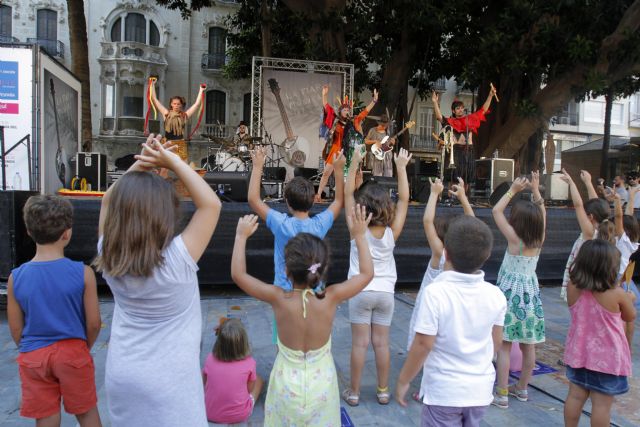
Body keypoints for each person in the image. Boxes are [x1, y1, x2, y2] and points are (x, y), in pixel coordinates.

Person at [93, 133, 222, 427]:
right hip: (170, 385)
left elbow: (107, 203)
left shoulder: (109, 254)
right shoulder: (177, 260)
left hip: (123, 376)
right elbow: (212, 205)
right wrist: (172, 161)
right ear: (164, 215)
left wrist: (141, 164)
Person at [230, 207, 374, 426]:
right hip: (322, 385)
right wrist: (360, 235)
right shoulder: (331, 297)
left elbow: (238, 275)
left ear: (286, 269)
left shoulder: (278, 298)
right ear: (322, 268)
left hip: (286, 385)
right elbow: (367, 274)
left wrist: (241, 237)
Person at [395, 216, 507, 427]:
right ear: (488, 255)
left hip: (444, 392)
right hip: (480, 391)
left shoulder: (435, 292)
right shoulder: (496, 295)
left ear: (445, 252)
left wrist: (404, 379)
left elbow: (422, 344)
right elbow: (497, 342)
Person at [6, 195, 102, 427]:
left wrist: (31, 349)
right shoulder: (83, 273)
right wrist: (82, 347)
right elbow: (94, 323)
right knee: (86, 412)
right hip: (73, 352)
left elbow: (16, 327)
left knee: (46, 415)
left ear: (29, 232)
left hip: (34, 354)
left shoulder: (15, 277)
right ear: (67, 233)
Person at [341, 146, 411, 406]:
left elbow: (348, 192)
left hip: (359, 291)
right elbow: (404, 200)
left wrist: (355, 161)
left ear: (361, 208)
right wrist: (401, 169)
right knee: (381, 344)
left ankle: (355, 392)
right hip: (385, 295)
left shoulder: (355, 229)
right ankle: (383, 391)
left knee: (360, 344)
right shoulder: (393, 232)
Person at [406, 176, 474, 402]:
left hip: (431, 308)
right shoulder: (463, 255)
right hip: (453, 309)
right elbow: (473, 225)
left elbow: (427, 221)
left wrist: (434, 193)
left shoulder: (440, 252)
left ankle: (426, 391)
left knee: (428, 349)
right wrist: (463, 198)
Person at [248, 146, 345, 292]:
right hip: (313, 294)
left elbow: (253, 200)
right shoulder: (319, 225)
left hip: (284, 293)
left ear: (286, 201)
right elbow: (338, 202)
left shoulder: (281, 224)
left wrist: (257, 166)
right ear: (313, 201)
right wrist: (338, 170)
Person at [563, 239, 635, 427]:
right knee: (601, 406)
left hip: (578, 354)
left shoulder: (572, 286)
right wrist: (630, 299)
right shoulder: (617, 294)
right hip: (607, 360)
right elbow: (630, 316)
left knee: (575, 397)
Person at [491, 173, 546, 409]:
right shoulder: (539, 239)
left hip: (508, 297)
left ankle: (502, 392)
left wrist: (513, 190)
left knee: (505, 345)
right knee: (528, 345)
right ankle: (522, 389)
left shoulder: (515, 240)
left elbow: (496, 211)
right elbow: (543, 215)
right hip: (530, 298)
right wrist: (536, 191)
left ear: (517, 222)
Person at [316, 84, 378, 201]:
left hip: (349, 151)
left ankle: (357, 197)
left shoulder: (354, 121)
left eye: (348, 109)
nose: (347, 111)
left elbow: (365, 112)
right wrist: (324, 95)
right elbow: (327, 108)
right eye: (344, 109)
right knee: (326, 173)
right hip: (336, 149)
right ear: (340, 111)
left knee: (356, 175)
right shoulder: (336, 120)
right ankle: (318, 194)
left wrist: (374, 101)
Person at [559, 169, 613, 300]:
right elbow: (596, 203)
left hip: (582, 278)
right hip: (595, 277)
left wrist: (572, 183)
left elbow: (578, 205)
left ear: (591, 217)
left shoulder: (589, 232)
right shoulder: (605, 228)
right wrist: (587, 182)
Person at [431, 84, 497, 186]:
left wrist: (490, 95)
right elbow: (439, 117)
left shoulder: (469, 119)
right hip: (455, 151)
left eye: (462, 108)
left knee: (466, 179)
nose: (461, 110)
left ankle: (463, 199)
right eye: (458, 108)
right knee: (453, 178)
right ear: (453, 111)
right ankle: (451, 199)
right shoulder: (450, 121)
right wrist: (435, 102)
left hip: (468, 150)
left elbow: (483, 110)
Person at [202, 318, 263, 424]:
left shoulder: (209, 359)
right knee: (259, 380)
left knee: (204, 373)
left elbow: (204, 383)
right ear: (244, 343)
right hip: (241, 414)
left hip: (209, 412)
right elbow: (249, 389)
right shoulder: (250, 363)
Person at [149, 79, 206, 162]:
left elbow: (197, 105)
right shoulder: (166, 113)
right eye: (174, 104)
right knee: (165, 168)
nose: (176, 105)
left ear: (181, 105)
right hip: (168, 142)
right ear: (171, 104)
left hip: (180, 144)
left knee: (184, 166)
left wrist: (201, 90)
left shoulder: (184, 116)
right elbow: (154, 99)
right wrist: (152, 85)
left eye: (178, 104)